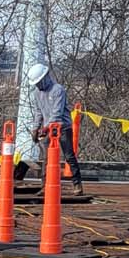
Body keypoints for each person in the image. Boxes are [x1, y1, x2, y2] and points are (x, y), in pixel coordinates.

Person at [25, 62, 84, 190]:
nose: (38, 85)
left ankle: (77, 183)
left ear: (46, 77)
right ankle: (45, 185)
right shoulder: (37, 93)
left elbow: (57, 113)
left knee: (69, 155)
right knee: (47, 158)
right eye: (36, 83)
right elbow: (39, 112)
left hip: (63, 127)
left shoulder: (58, 90)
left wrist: (45, 128)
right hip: (48, 129)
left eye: (39, 82)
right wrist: (35, 128)